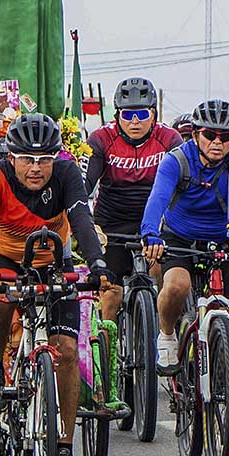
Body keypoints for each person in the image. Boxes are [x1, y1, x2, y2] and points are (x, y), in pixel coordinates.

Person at [0, 113, 109, 456]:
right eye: (27, 159)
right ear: (11, 157)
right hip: (4, 257)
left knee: (64, 349)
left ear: (55, 157)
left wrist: (96, 263)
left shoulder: (66, 174)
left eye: (44, 159)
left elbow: (80, 219)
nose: (35, 168)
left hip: (52, 259)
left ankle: (62, 448)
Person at [140, 100, 229, 445]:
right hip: (180, 238)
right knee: (176, 285)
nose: (217, 142)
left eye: (226, 136)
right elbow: (157, 200)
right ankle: (166, 335)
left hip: (224, 240)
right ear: (196, 134)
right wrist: (151, 234)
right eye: (210, 135)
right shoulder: (177, 160)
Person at [84, 77, 181, 321]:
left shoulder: (169, 139)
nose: (135, 122)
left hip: (156, 220)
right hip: (113, 221)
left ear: (154, 114)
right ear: (117, 115)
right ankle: (106, 354)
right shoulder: (101, 139)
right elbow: (86, 184)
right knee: (111, 294)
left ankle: (164, 334)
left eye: (141, 114)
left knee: (161, 275)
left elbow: (183, 185)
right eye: (127, 115)